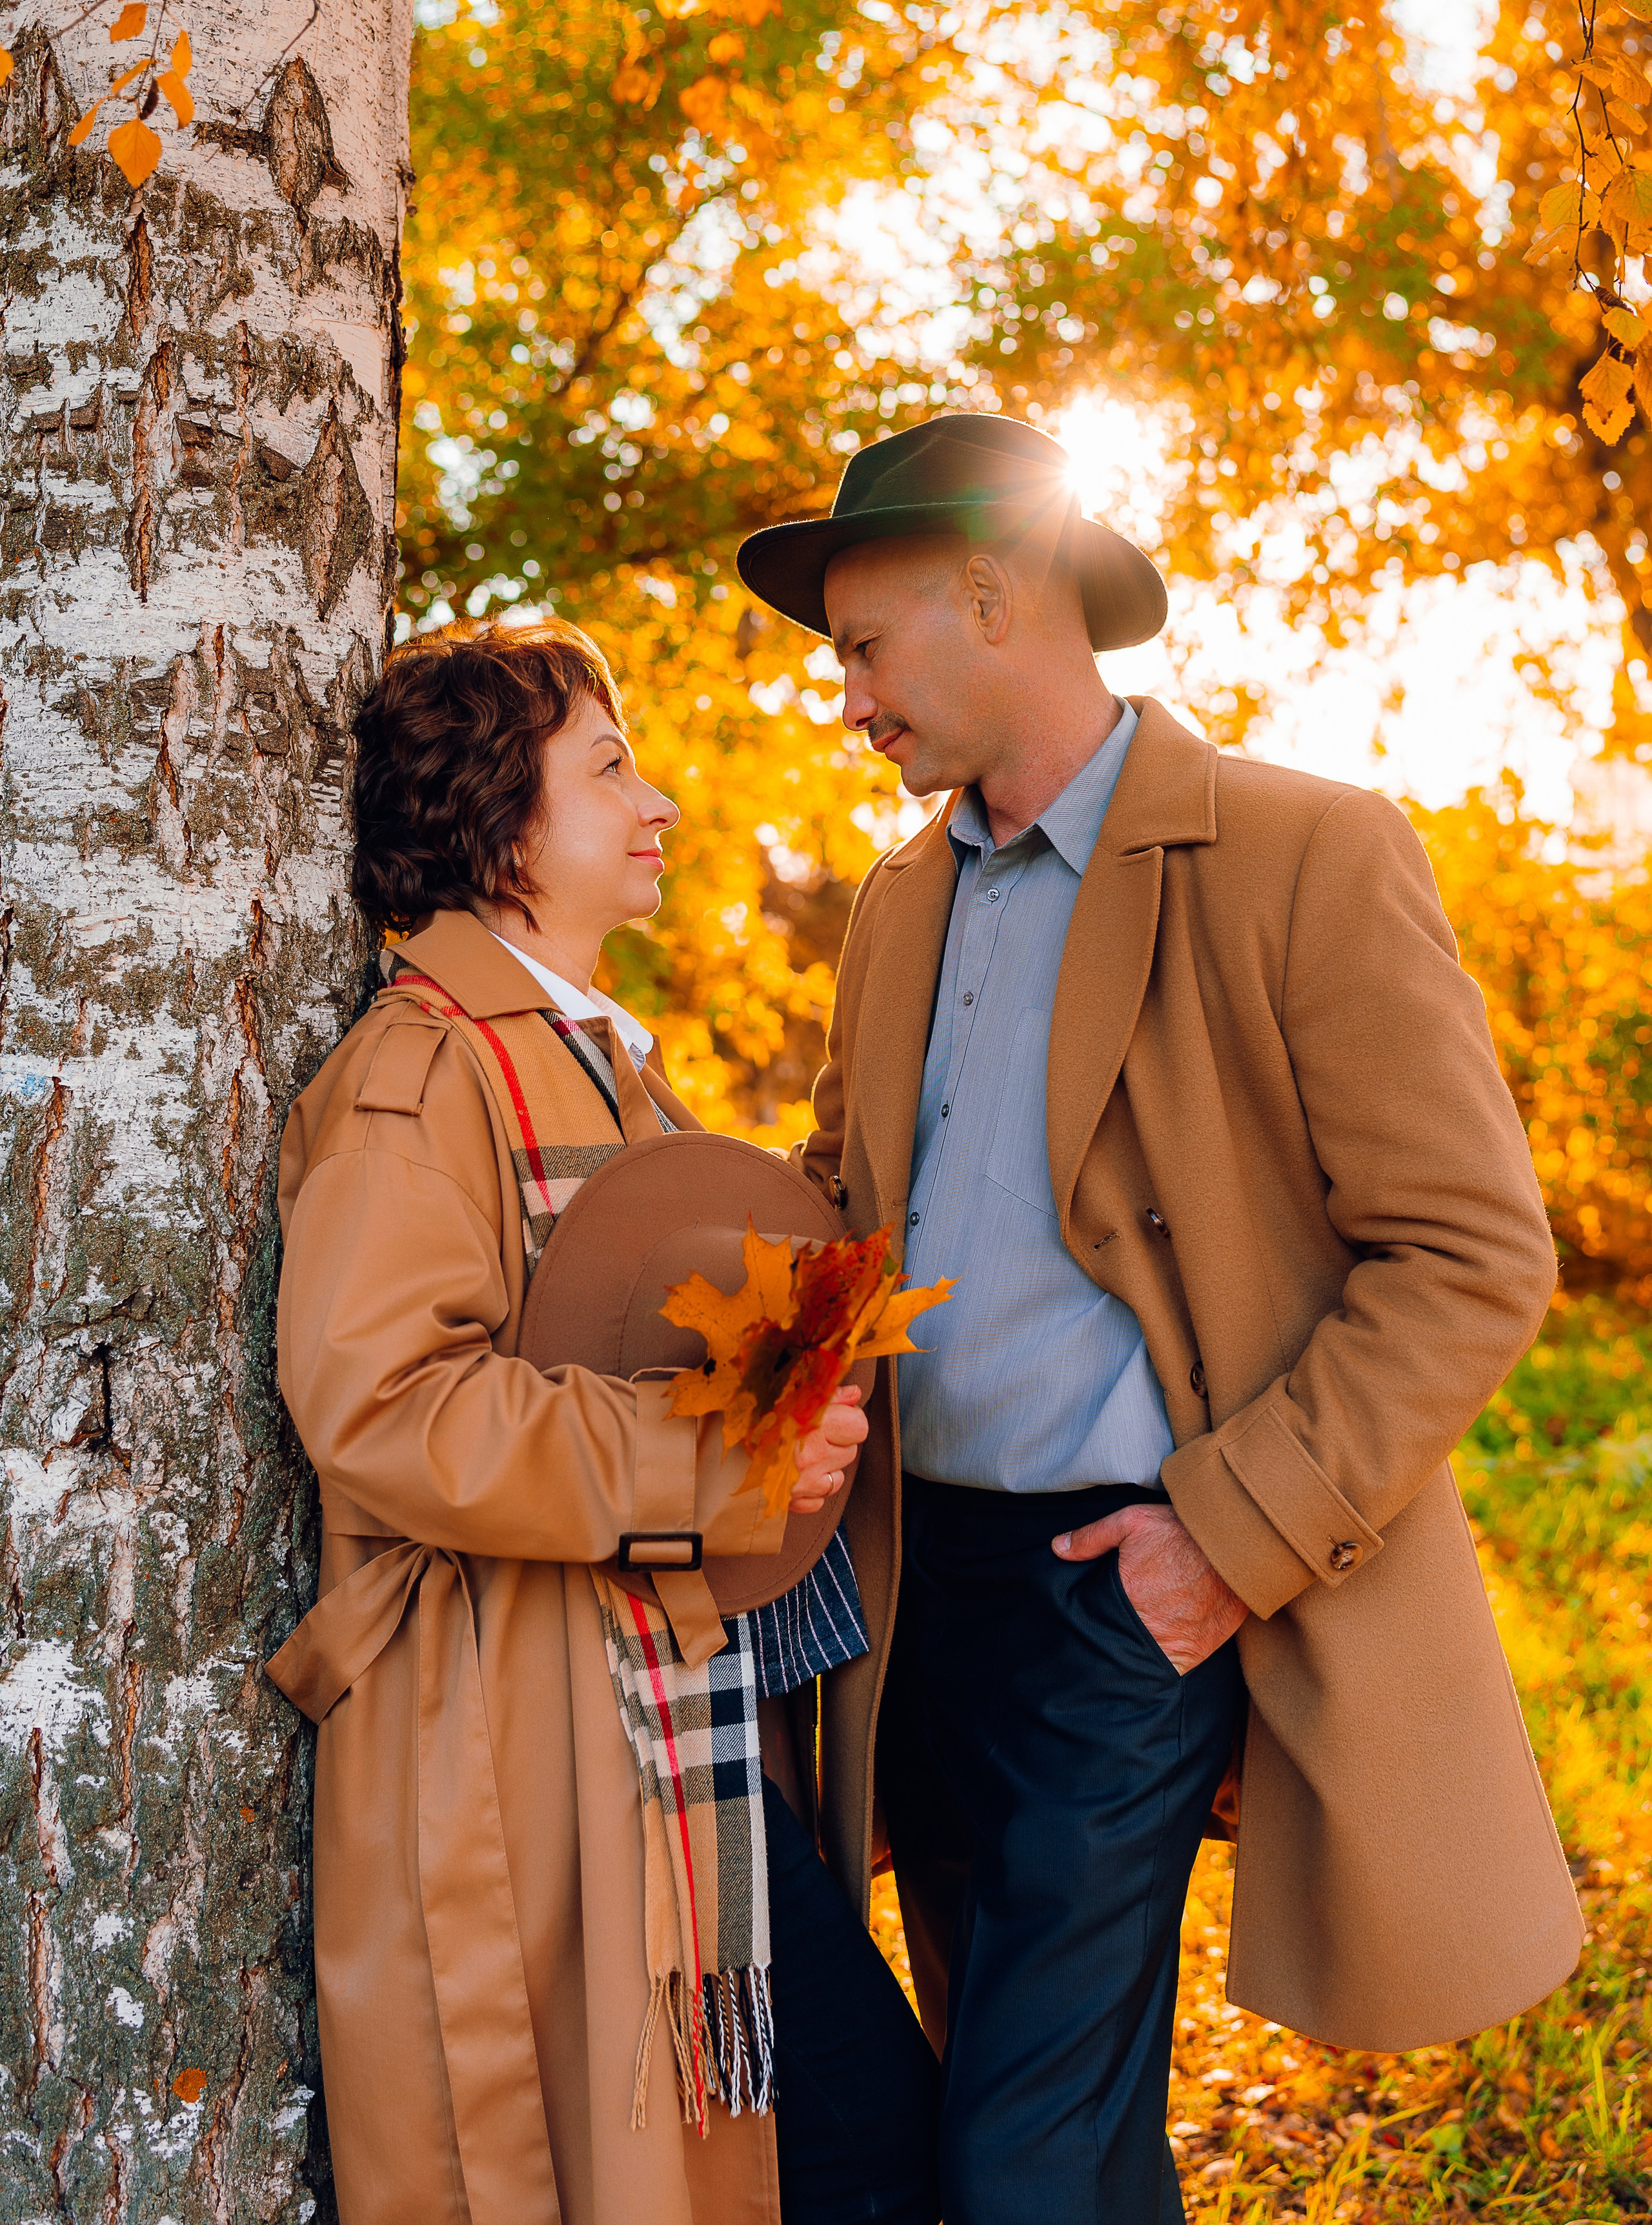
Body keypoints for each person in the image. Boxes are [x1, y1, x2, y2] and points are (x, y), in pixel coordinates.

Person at [734, 411, 1584, 2225]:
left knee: (1020, 2162)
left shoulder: (1306, 851)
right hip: (911, 1598)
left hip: (1136, 1589)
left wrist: (1227, 1533)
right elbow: (835, 1214)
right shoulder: (893, 908)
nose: (850, 699)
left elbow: (1471, 1252)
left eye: (864, 651)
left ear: (991, 598)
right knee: (1027, 2123)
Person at [265, 624, 940, 2225]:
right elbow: (382, 1403)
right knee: (841, 2152)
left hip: (654, 1700)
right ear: (504, 829)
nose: (663, 803)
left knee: (829, 2153)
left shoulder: (599, 1070)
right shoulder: (415, 1075)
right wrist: (725, 1459)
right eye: (611, 766)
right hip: (528, 1729)